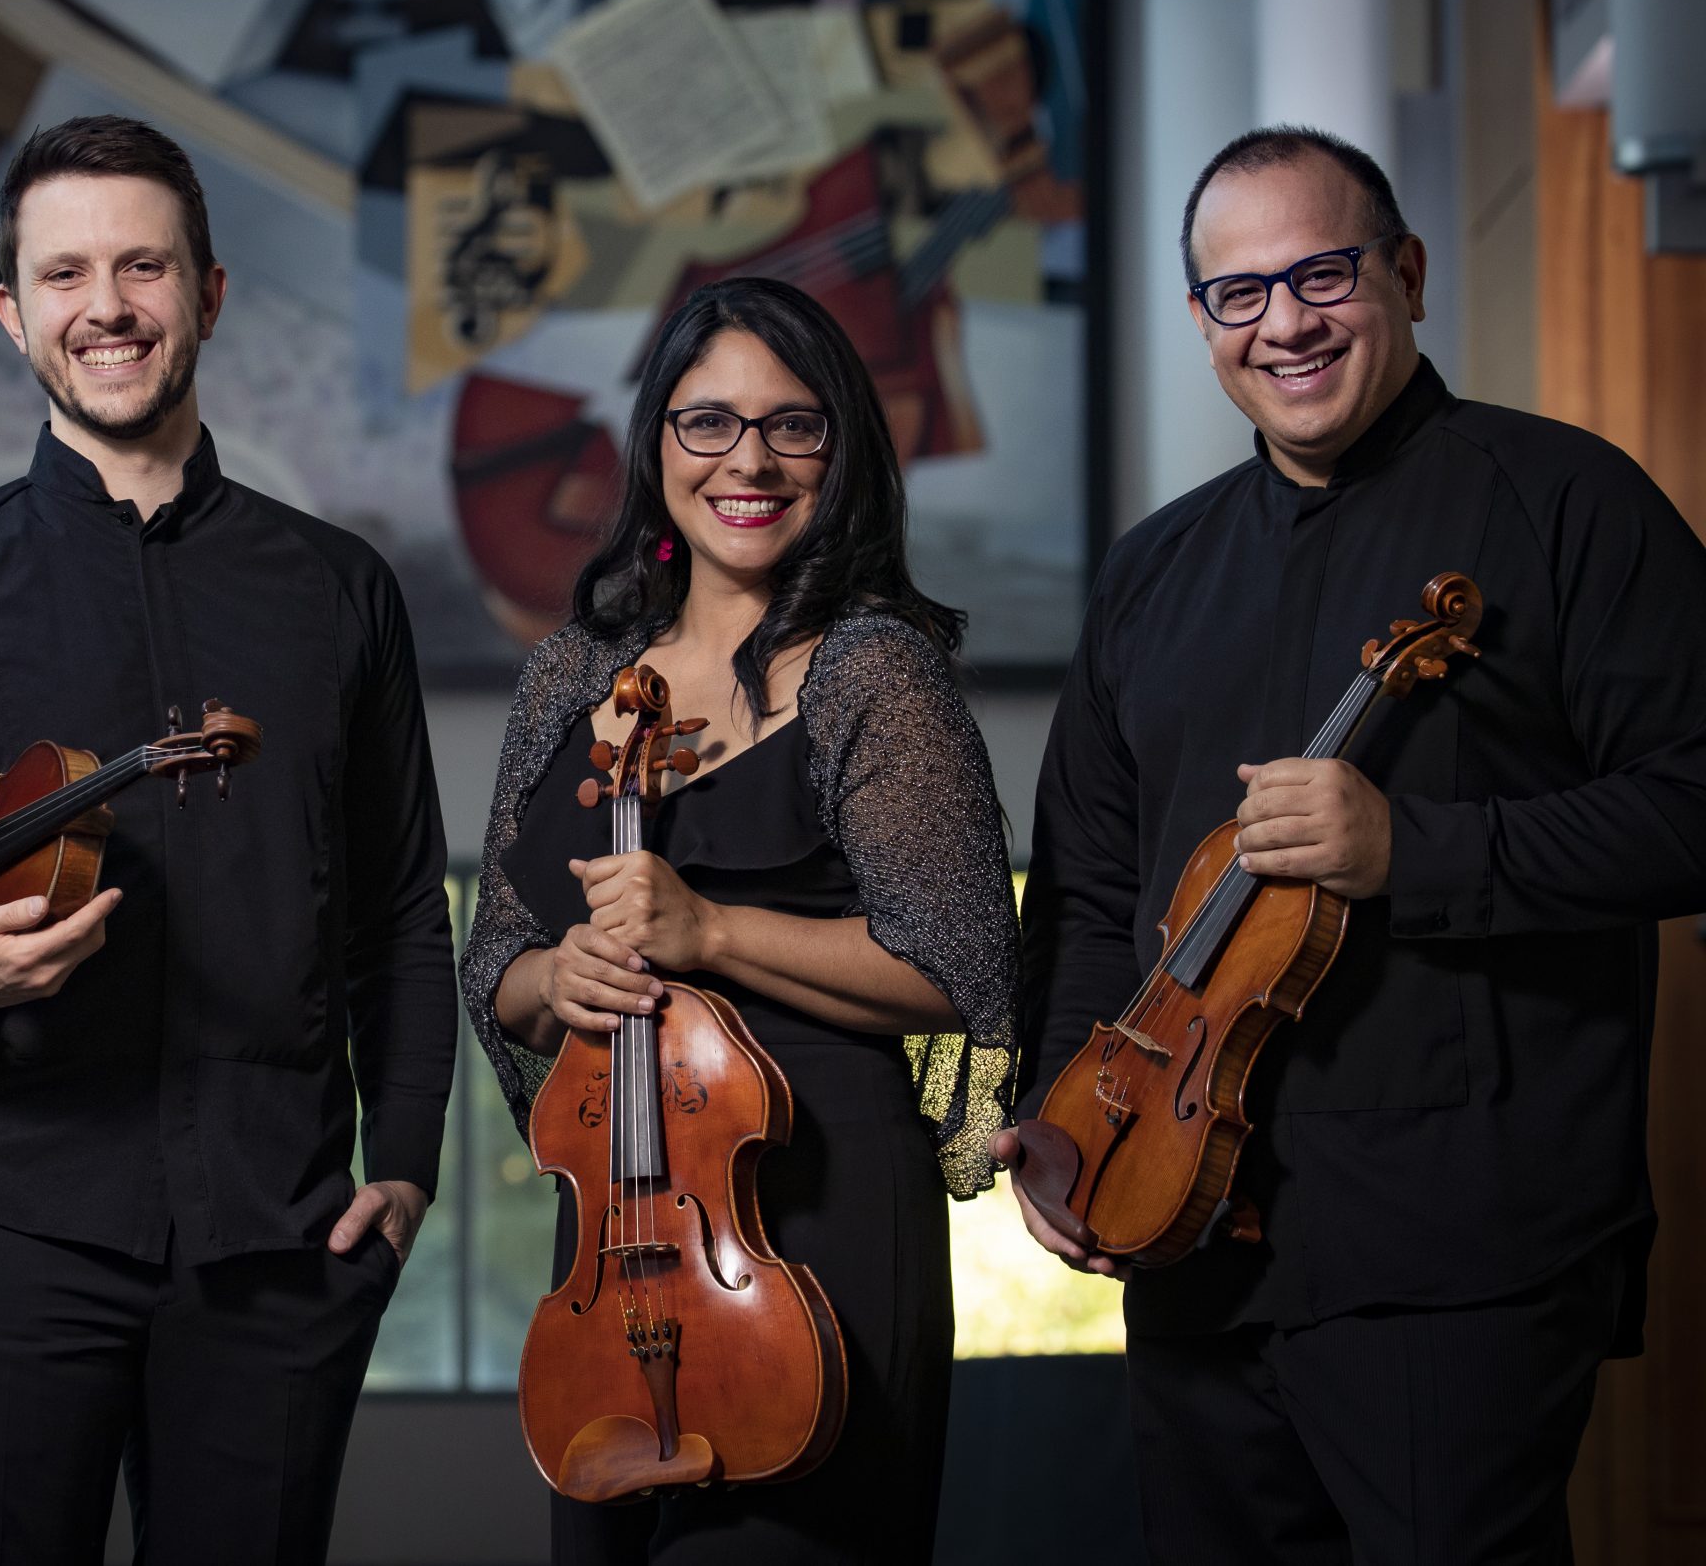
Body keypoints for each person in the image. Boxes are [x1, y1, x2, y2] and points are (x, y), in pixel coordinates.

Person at [0, 114, 456, 1564]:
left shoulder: (338, 589)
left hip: (280, 1240)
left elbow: (397, 912)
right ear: (15, 314)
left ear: (207, 292)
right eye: (65, 273)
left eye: (144, 265)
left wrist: (405, 1165)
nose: (109, 307)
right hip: (4, 1231)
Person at [1002, 126, 1706, 1562]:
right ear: (1201, 324)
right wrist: (1063, 1122)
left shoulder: (1569, 504)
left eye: (1323, 274)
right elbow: (1082, 887)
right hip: (1193, 1241)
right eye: (1238, 294)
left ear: (1408, 275)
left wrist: (1417, 852)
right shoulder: (1153, 573)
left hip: (1460, 1251)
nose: (1286, 324)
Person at [460, 275, 1018, 1564]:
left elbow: (958, 970)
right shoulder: (572, 676)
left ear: (843, 452)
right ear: (655, 446)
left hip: (811, 1215)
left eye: (793, 425)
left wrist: (707, 933)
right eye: (707, 423)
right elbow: (496, 965)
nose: (748, 460)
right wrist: (565, 971)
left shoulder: (874, 670)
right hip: (623, 1223)